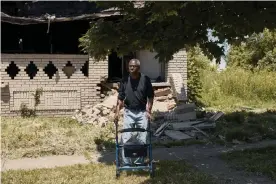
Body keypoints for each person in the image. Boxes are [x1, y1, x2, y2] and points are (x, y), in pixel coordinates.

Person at [114, 58, 154, 166]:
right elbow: (120, 98)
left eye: (134, 66)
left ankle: (139, 162)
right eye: (130, 66)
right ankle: (126, 163)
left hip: (142, 112)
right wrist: (117, 112)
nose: (131, 67)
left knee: (143, 138)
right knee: (126, 137)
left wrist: (148, 111)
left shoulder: (145, 79)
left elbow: (150, 96)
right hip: (129, 112)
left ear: (138, 67)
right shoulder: (125, 80)